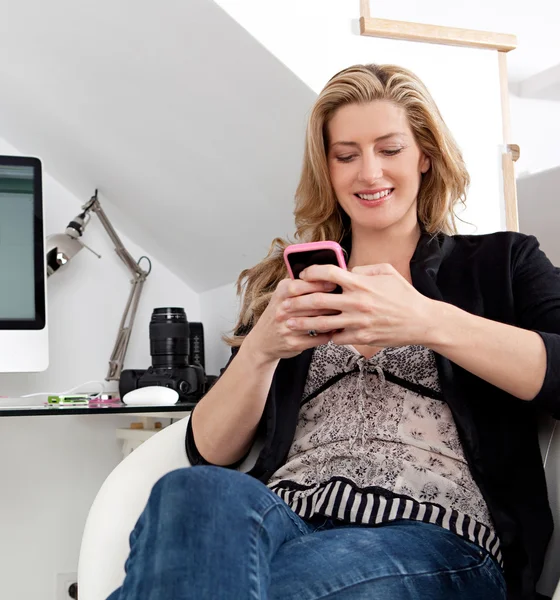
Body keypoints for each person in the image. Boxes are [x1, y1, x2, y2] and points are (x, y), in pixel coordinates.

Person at [108, 64, 560, 600]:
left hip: (434, 540)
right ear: (328, 169)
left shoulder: (502, 262)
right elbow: (209, 450)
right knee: (192, 490)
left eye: (389, 150)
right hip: (282, 521)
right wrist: (260, 350)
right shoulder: (295, 285)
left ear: (426, 156)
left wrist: (426, 320)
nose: (369, 173)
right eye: (346, 155)